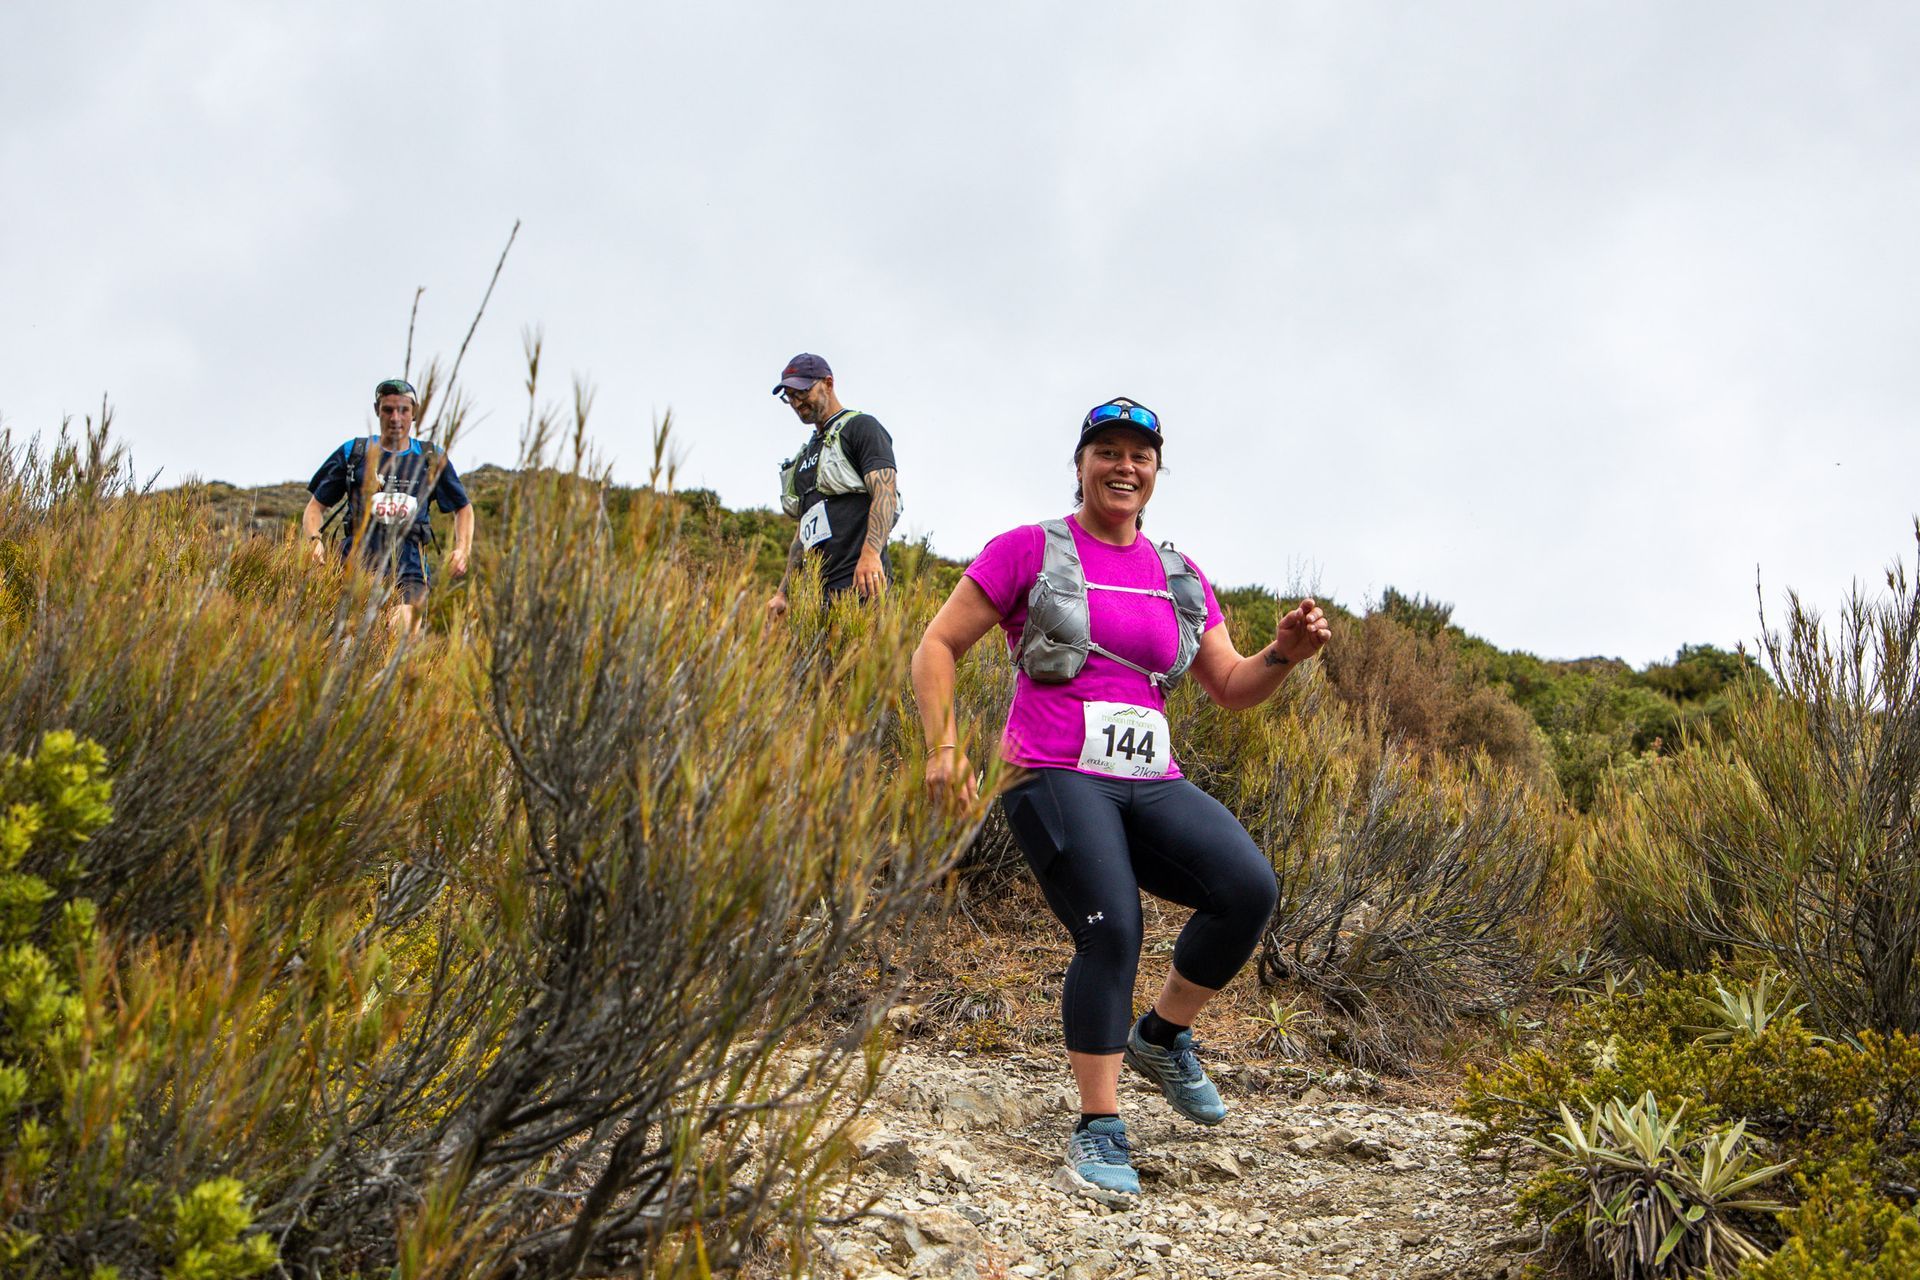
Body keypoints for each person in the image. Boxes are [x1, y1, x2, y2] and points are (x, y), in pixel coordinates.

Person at [910, 397, 1330, 1203]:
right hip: (1051, 773)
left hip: (1149, 780)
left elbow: (1232, 685)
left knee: (1248, 890)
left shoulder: (1178, 574)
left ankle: (1163, 1037)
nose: (1123, 466)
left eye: (1140, 455)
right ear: (1080, 464)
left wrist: (1283, 653)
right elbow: (937, 644)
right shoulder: (1027, 550)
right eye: (1107, 450)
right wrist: (942, 748)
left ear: (1156, 473)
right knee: (1114, 929)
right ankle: (1098, 1128)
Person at [301, 378, 475, 634]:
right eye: (388, 410)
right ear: (377, 410)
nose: (396, 418)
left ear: (414, 413)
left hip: (411, 569)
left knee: (401, 637)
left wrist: (463, 550)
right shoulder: (354, 452)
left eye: (403, 410)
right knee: (351, 645)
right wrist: (314, 541)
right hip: (354, 567)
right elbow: (315, 507)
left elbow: (464, 508)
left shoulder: (430, 457)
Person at [766, 353, 901, 618]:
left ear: (828, 383)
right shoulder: (805, 456)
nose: (796, 402)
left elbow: (885, 493)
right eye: (790, 396)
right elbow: (803, 531)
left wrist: (871, 555)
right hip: (815, 597)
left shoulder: (861, 428)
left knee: (862, 660)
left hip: (862, 588)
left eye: (802, 392)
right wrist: (784, 592)